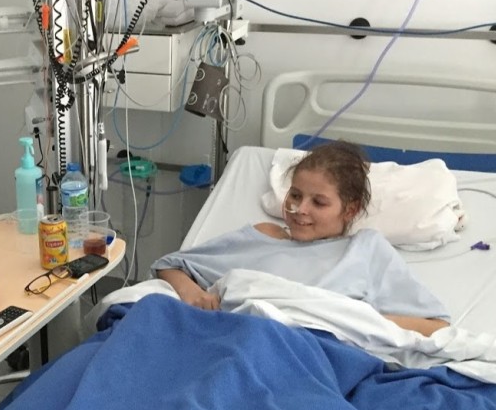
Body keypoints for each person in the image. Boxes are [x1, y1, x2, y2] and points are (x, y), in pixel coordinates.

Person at [152, 140, 451, 337]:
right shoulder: (264, 235)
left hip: (304, 351)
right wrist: (194, 294)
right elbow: (171, 266)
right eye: (295, 195)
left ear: (350, 210)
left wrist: (352, 319)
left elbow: (436, 327)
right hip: (232, 335)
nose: (299, 209)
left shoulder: (365, 250)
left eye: (318, 202)